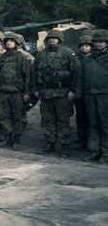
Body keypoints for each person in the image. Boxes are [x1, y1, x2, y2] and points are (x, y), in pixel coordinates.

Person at [33, 29, 77, 158]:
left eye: (54, 38)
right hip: (45, 93)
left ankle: (64, 145)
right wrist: (35, 89)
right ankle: (50, 143)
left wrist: (72, 91)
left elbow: (75, 73)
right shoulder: (41, 54)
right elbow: (34, 72)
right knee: (48, 120)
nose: (52, 40)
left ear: (59, 39)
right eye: (50, 38)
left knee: (63, 120)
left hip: (62, 93)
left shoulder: (68, 53)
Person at [0, 33, 32, 151]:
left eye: (11, 41)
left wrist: (27, 92)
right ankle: (7, 137)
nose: (9, 42)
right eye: (7, 41)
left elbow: (28, 76)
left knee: (17, 116)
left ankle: (16, 139)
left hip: (17, 93)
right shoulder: (0, 59)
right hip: (3, 92)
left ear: (17, 44)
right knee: (4, 116)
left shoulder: (22, 58)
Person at [76, 29, 108, 164]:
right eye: (96, 42)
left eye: (101, 42)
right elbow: (80, 78)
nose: (98, 44)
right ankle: (95, 151)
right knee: (93, 125)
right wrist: (79, 94)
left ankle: (106, 153)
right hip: (89, 96)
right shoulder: (88, 59)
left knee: (105, 125)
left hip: (105, 95)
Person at [73, 34, 93, 151]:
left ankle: (91, 142)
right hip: (79, 92)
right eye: (82, 46)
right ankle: (81, 141)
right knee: (80, 118)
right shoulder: (76, 58)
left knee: (93, 119)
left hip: (92, 93)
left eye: (87, 46)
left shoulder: (95, 58)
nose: (84, 48)